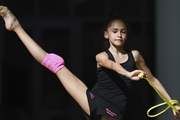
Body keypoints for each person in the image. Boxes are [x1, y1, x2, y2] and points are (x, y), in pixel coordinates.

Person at [0, 5, 180, 120]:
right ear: (106, 34)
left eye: (123, 31)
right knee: (54, 64)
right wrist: (127, 73)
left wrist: (171, 102)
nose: (119, 35)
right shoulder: (101, 56)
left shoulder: (136, 56)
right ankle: (16, 26)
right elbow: (113, 66)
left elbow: (153, 80)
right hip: (95, 101)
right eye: (115, 31)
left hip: (115, 110)